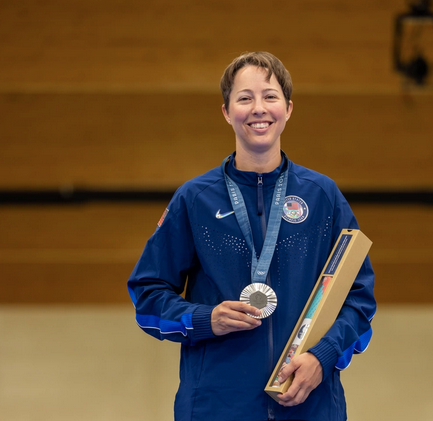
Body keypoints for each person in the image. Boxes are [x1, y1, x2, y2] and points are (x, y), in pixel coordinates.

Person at [127, 51, 376, 421]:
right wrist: (202, 318)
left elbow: (358, 299)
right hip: (215, 408)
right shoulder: (194, 200)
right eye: (245, 98)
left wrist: (322, 358)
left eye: (270, 96)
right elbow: (147, 297)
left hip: (310, 405)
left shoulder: (322, 196)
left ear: (288, 109)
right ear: (227, 112)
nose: (259, 108)